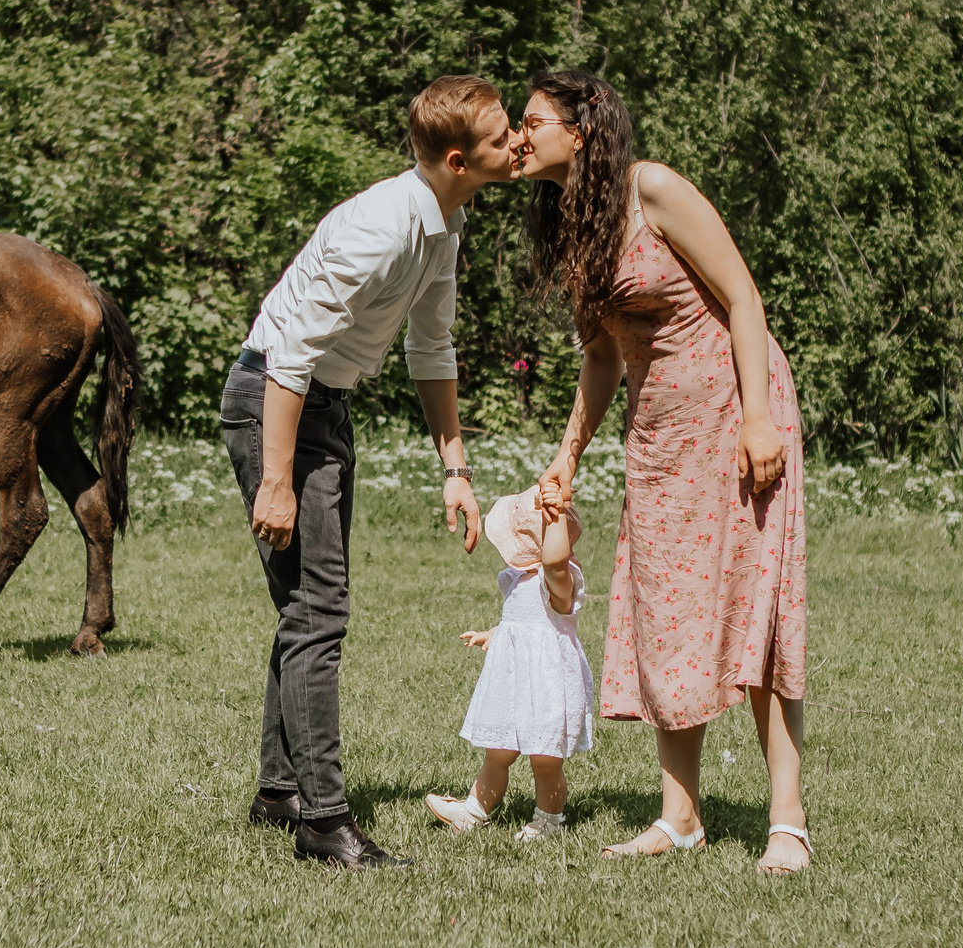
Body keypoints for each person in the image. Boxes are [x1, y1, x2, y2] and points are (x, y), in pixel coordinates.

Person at [220, 74, 521, 868]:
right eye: (502, 135)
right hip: (276, 401)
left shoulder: (444, 224)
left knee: (304, 609)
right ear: (458, 158)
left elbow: (432, 348)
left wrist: (454, 467)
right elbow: (288, 355)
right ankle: (323, 822)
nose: (519, 140)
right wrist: (277, 479)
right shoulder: (383, 228)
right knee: (319, 611)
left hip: (319, 405)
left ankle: (278, 791)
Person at [523, 70, 815, 874]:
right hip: (659, 437)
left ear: (579, 131)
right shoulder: (571, 223)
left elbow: (744, 297)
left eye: (532, 121)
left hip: (734, 415)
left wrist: (759, 417)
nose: (519, 136)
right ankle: (679, 816)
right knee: (666, 609)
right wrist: (567, 454)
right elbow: (600, 355)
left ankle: (786, 823)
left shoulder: (651, 189)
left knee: (757, 609)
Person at [424, 485, 594, 843]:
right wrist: (495, 633)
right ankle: (474, 810)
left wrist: (555, 517)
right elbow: (523, 624)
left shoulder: (559, 580)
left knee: (545, 759)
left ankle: (549, 818)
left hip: (548, 686)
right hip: (514, 682)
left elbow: (554, 563)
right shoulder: (520, 579)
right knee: (497, 752)